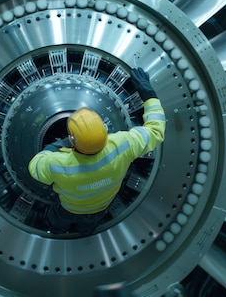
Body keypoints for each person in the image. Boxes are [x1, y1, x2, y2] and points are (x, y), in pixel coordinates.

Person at [28, 67, 166, 235]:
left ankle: (56, 232)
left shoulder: (58, 164)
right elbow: (156, 132)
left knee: (57, 224)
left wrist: (54, 147)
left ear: (72, 140)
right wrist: (148, 93)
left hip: (68, 210)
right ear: (104, 130)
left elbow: (35, 166)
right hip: (99, 209)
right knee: (88, 228)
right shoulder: (123, 146)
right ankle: (85, 234)